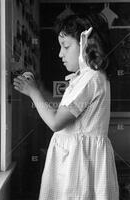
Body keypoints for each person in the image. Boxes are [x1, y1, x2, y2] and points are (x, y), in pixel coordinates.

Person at [13, 13, 119, 200]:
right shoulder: (86, 77)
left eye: (66, 46)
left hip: (78, 168)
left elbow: (56, 122)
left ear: (85, 44)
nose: (60, 54)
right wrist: (36, 88)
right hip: (77, 162)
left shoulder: (90, 79)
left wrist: (34, 93)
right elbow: (61, 110)